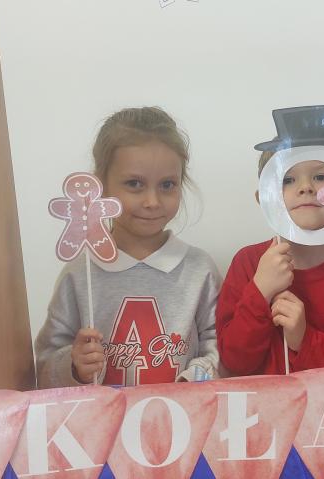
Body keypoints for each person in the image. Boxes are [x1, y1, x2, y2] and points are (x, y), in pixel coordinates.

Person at [35, 107, 220, 387]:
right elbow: (44, 368)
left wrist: (194, 379)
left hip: (183, 413)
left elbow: (220, 346)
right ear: (100, 186)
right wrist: (74, 366)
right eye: (134, 184)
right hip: (103, 416)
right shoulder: (79, 274)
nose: (152, 201)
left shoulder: (199, 269)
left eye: (167, 185)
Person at [216, 105, 324, 376]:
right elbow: (234, 361)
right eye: (287, 179)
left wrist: (305, 340)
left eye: (320, 177)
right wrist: (260, 291)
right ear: (264, 198)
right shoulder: (248, 263)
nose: (306, 188)